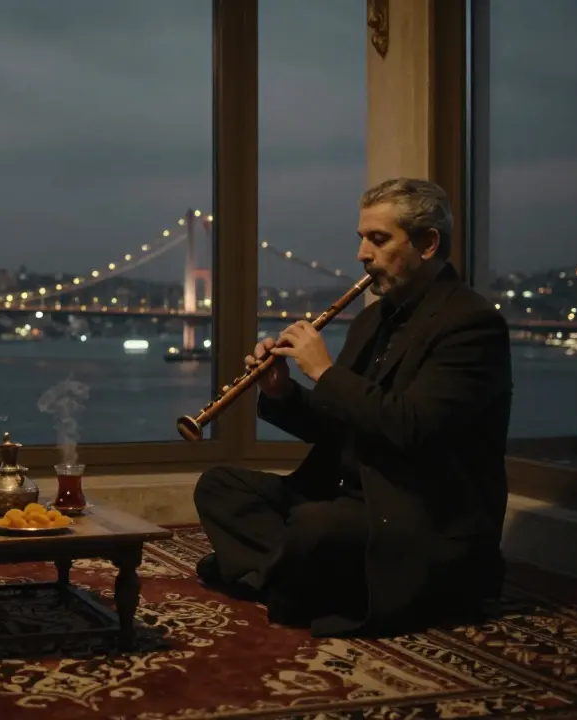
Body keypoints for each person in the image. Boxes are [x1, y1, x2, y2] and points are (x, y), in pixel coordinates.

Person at [194, 177, 513, 637]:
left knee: (314, 526)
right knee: (220, 487)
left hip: (421, 513)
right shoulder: (371, 319)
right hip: (349, 496)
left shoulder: (472, 325)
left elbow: (413, 428)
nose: (362, 255)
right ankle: (291, 577)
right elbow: (337, 424)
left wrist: (325, 373)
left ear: (428, 243)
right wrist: (281, 392)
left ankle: (270, 576)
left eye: (378, 240)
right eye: (361, 239)